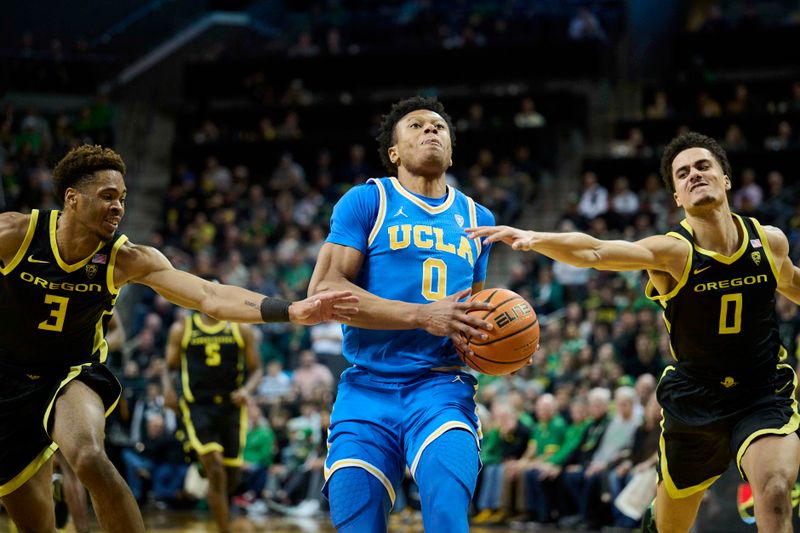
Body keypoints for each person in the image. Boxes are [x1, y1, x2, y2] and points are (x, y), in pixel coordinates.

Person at [0, 144, 358, 533]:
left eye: (122, 198)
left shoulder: (128, 258)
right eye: (107, 196)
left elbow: (210, 296)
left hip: (70, 373)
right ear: (72, 198)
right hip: (8, 378)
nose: (118, 207)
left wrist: (288, 310)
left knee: (88, 455)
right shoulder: (15, 235)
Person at [468, 131, 800, 532]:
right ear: (676, 196)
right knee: (667, 526)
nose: (694, 174)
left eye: (703, 166)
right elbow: (596, 251)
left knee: (776, 490)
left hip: (762, 391)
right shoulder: (672, 253)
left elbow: (794, 285)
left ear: (726, 179)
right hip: (696, 399)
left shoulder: (770, 243)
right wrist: (536, 238)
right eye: (682, 173)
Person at [307, 95, 497, 532]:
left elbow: (471, 317)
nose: (430, 130)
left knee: (448, 513)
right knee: (357, 522)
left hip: (441, 387)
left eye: (438, 126)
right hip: (365, 389)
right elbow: (325, 289)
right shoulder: (367, 201)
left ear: (451, 150)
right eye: (415, 125)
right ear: (393, 153)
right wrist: (421, 315)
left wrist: (497, 344)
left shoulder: (478, 219)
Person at [163, 293, 264, 533]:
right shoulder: (182, 329)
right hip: (197, 405)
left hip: (231, 407)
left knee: (231, 477)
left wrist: (247, 390)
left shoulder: (240, 329)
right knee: (215, 467)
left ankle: (213, 488)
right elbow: (169, 367)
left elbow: (257, 368)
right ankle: (224, 529)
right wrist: (167, 390)